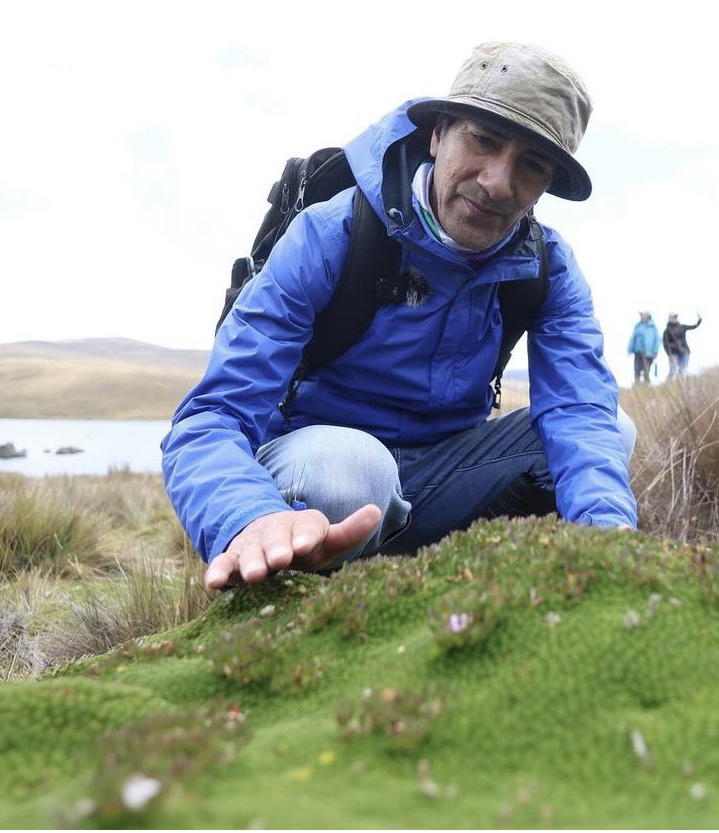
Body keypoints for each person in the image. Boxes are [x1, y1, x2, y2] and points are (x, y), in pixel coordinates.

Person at [162, 41, 638, 590]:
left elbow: (580, 409)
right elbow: (210, 417)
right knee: (352, 471)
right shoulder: (331, 234)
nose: (498, 182)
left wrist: (610, 542)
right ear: (437, 133)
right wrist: (248, 516)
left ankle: (475, 576)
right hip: (321, 483)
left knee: (611, 432)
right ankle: (311, 585)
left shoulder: (546, 268)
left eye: (531, 165)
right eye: (484, 140)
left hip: (445, 478)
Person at [663, 312, 702, 380]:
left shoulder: (682, 327)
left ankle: (680, 384)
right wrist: (669, 354)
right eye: (673, 317)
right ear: (669, 319)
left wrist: (699, 320)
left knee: (682, 370)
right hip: (673, 353)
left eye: (675, 317)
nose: (675, 319)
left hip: (684, 352)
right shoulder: (667, 331)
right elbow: (665, 344)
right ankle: (668, 384)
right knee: (673, 370)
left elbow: (694, 326)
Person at [627, 311, 661, 384]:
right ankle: (637, 387)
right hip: (638, 352)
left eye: (642, 315)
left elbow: (657, 340)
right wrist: (630, 349)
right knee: (637, 371)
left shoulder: (653, 327)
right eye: (641, 315)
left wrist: (655, 351)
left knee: (646, 371)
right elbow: (633, 338)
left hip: (649, 353)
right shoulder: (637, 326)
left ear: (648, 316)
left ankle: (647, 387)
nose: (641, 316)